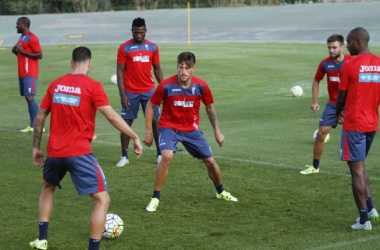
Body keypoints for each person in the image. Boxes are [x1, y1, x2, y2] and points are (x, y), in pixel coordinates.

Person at [30, 47, 143, 250]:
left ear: (71, 63)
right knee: (102, 200)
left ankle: (42, 240)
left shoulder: (55, 85)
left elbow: (39, 117)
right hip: (79, 153)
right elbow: (111, 116)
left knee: (48, 188)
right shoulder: (93, 86)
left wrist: (36, 148)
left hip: (55, 152)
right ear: (89, 64)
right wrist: (134, 136)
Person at [143, 52, 237, 212]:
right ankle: (155, 198)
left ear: (193, 68)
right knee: (166, 157)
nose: (183, 71)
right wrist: (148, 132)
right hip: (169, 128)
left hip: (192, 130)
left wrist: (217, 132)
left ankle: (221, 191)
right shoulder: (165, 86)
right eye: (181, 67)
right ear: (177, 67)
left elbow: (209, 109)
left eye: (187, 68)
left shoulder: (201, 86)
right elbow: (150, 106)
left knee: (211, 163)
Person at [336, 27, 380, 230]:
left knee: (356, 171)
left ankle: (364, 220)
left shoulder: (350, 65)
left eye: (349, 42)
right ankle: (371, 209)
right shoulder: (379, 63)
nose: (347, 45)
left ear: (359, 42)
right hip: (372, 123)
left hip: (354, 124)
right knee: (361, 168)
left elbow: (341, 95)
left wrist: (337, 113)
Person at [300, 34, 353, 175]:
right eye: (329, 47)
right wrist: (315, 101)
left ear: (342, 47)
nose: (331, 50)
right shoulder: (325, 64)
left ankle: (356, 168)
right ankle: (315, 167)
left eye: (334, 47)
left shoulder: (352, 62)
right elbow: (316, 81)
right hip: (333, 104)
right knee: (321, 134)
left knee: (354, 136)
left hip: (351, 105)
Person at [116, 17, 163, 167]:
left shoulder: (153, 47)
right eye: (136, 32)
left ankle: (160, 154)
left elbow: (157, 68)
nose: (138, 35)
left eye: (141, 32)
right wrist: (122, 94)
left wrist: (163, 87)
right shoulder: (124, 48)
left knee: (155, 121)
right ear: (132, 31)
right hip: (130, 92)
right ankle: (124, 156)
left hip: (149, 91)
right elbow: (120, 71)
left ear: (145, 31)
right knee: (126, 123)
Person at [12, 17, 43, 133]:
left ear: (24, 25)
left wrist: (22, 52)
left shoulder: (32, 38)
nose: (16, 26)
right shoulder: (21, 38)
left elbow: (40, 55)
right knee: (27, 97)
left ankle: (40, 124)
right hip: (22, 72)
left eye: (18, 24)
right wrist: (15, 51)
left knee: (29, 96)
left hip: (30, 72)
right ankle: (32, 125)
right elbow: (21, 53)